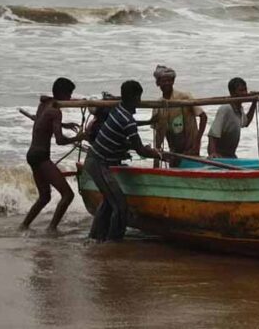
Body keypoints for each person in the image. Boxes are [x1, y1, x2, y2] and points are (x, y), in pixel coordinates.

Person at [85, 80, 161, 242]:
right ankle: (114, 242)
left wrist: (148, 124)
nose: (139, 102)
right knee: (120, 205)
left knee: (108, 202)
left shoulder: (117, 109)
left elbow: (125, 136)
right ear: (134, 98)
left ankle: (95, 238)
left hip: (93, 160)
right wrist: (158, 155)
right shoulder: (127, 120)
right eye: (139, 98)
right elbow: (140, 150)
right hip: (99, 163)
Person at [19, 78, 85, 233]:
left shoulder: (43, 105)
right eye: (69, 94)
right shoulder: (56, 111)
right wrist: (79, 138)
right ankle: (52, 228)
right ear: (62, 93)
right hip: (41, 156)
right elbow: (60, 140)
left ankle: (23, 226)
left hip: (32, 154)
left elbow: (43, 121)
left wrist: (64, 125)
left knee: (44, 197)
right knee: (68, 195)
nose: (70, 98)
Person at [151, 65, 207, 167]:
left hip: (190, 147)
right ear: (158, 83)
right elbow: (158, 134)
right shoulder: (157, 105)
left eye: (169, 80)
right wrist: (156, 159)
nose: (167, 83)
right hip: (174, 150)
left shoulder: (184, 97)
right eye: (163, 81)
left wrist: (197, 142)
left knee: (191, 170)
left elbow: (203, 117)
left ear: (173, 81)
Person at [207, 77, 259, 158]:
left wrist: (254, 102)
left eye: (245, 90)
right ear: (232, 93)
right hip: (220, 155)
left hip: (230, 155)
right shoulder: (226, 109)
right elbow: (213, 134)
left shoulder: (239, 109)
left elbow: (246, 123)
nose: (245, 93)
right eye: (241, 91)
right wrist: (213, 153)